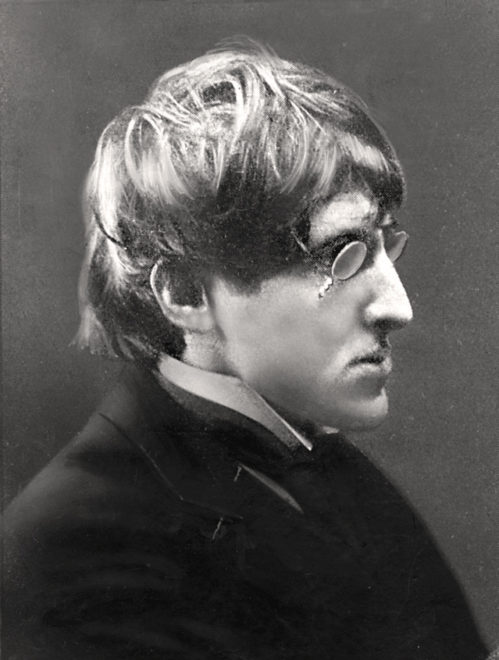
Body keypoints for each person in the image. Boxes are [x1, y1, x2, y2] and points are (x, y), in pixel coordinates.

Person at [2, 39, 488, 659]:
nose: (399, 307)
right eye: (340, 256)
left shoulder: (327, 467)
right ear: (185, 293)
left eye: (382, 245)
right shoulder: (77, 544)